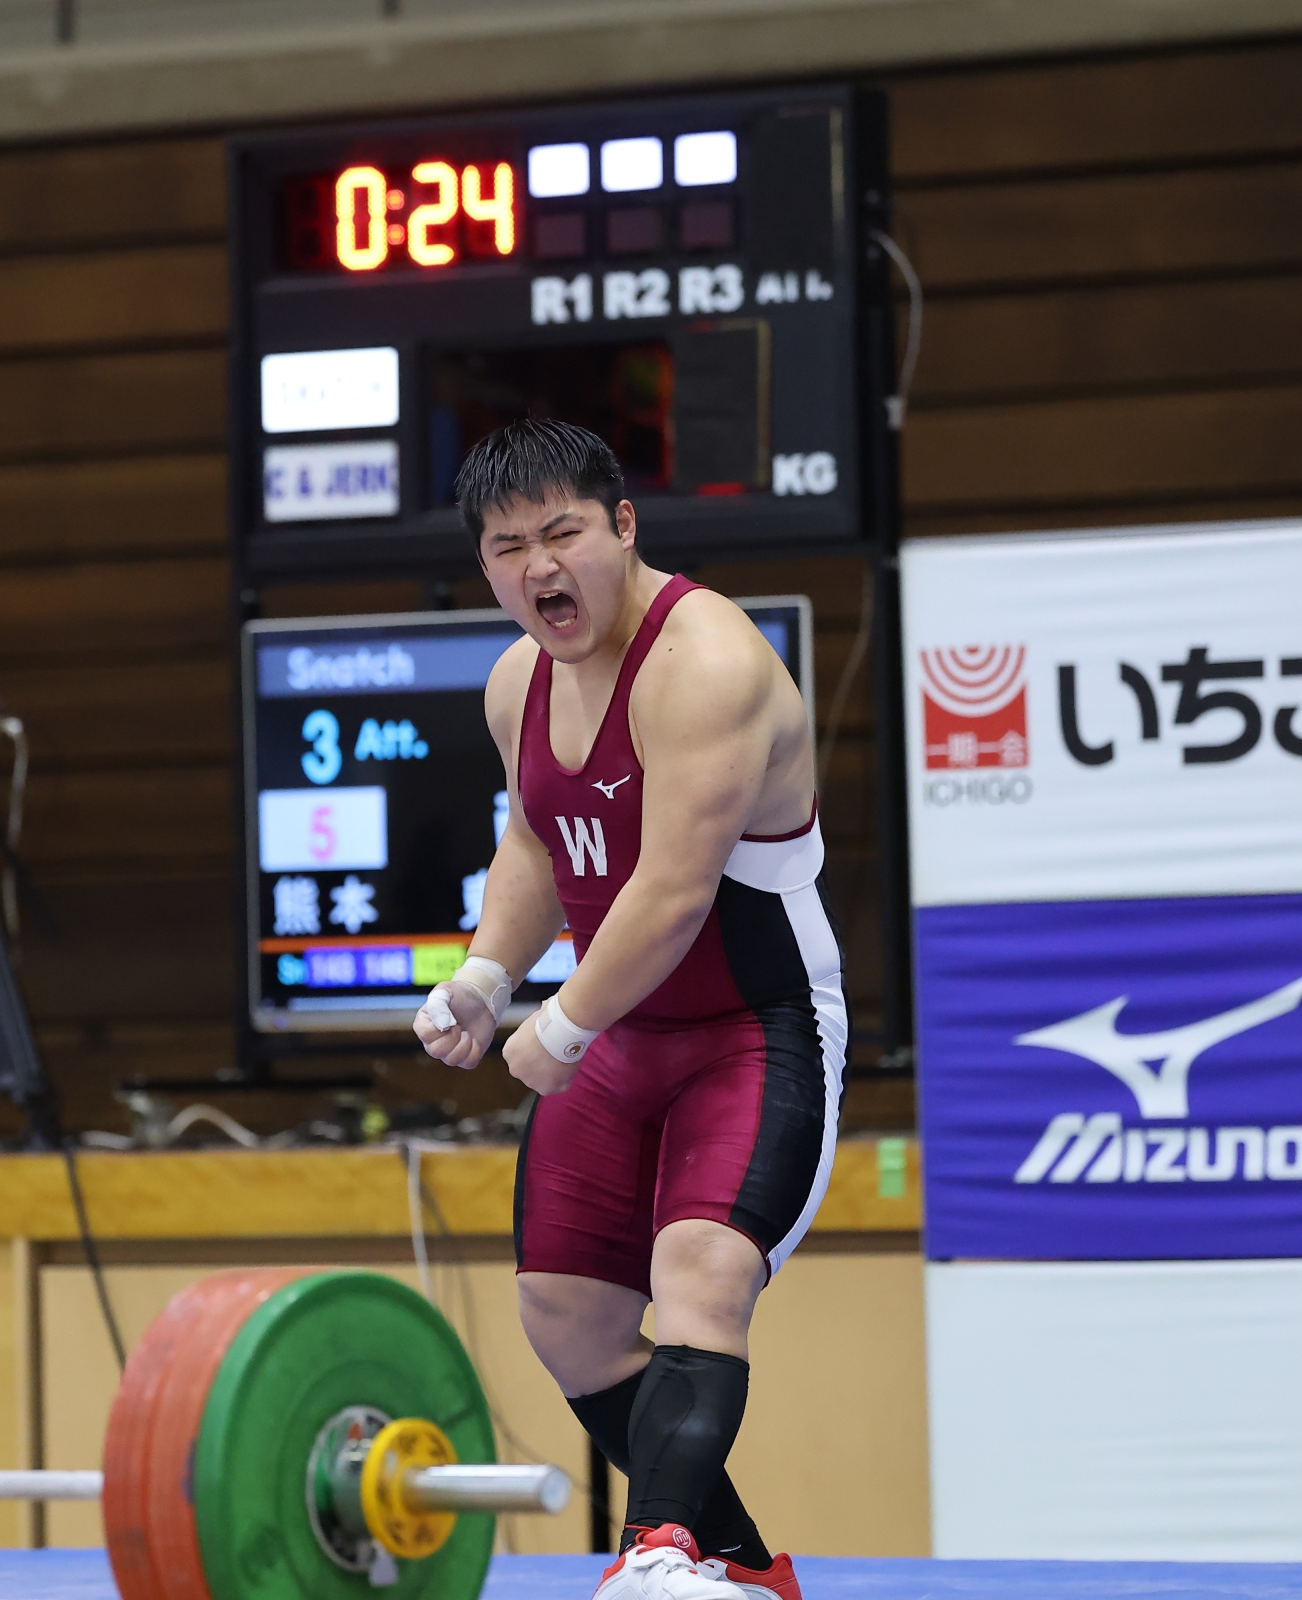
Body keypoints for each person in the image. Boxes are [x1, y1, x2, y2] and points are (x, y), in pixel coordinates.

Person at [415, 419, 844, 1600]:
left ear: (623, 525)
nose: (540, 568)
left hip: (752, 1027)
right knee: (565, 1313)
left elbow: (670, 891)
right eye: (509, 548)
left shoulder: (708, 660)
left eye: (563, 534)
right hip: (623, 1030)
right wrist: (484, 977)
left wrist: (558, 1025)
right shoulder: (516, 682)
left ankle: (657, 1551)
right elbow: (535, 842)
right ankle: (743, 1571)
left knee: (700, 1269)